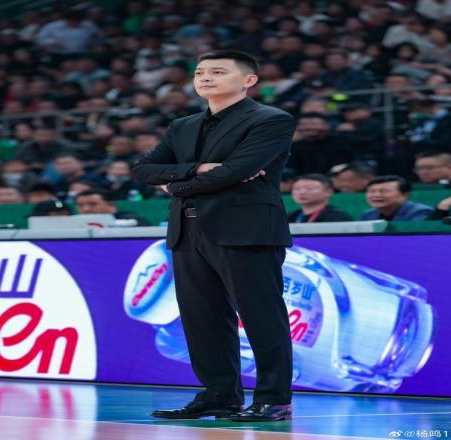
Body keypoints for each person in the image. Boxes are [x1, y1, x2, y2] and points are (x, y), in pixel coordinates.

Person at [132, 50, 295, 422]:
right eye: (200, 72)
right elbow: (143, 170)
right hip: (187, 230)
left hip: (246, 230)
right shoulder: (182, 126)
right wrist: (199, 169)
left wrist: (174, 184)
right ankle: (219, 396)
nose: (205, 78)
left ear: (248, 80)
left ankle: (274, 399)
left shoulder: (271, 119)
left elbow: (236, 171)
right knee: (201, 318)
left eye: (218, 72)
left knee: (261, 316)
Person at [361, 175, 433, 221]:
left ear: (405, 194)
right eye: (372, 191)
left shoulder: (419, 212)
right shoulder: (368, 214)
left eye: (384, 191)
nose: (376, 195)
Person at [287, 174, 353, 223]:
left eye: (309, 188)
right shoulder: (290, 217)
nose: (302, 192)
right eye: (297, 189)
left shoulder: (337, 217)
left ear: (329, 192)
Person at [74, 189, 150, 225]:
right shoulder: (75, 223)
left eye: (93, 204)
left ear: (111, 204)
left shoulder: (133, 220)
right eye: (80, 205)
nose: (86, 209)